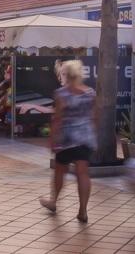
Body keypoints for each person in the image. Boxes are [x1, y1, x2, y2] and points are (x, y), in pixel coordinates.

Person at [38, 60, 95, 223]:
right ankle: (83, 211)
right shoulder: (90, 92)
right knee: (83, 173)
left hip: (67, 139)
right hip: (85, 137)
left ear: (65, 74)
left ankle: (53, 201)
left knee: (59, 170)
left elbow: (58, 119)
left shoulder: (61, 93)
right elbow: (94, 116)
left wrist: (52, 139)